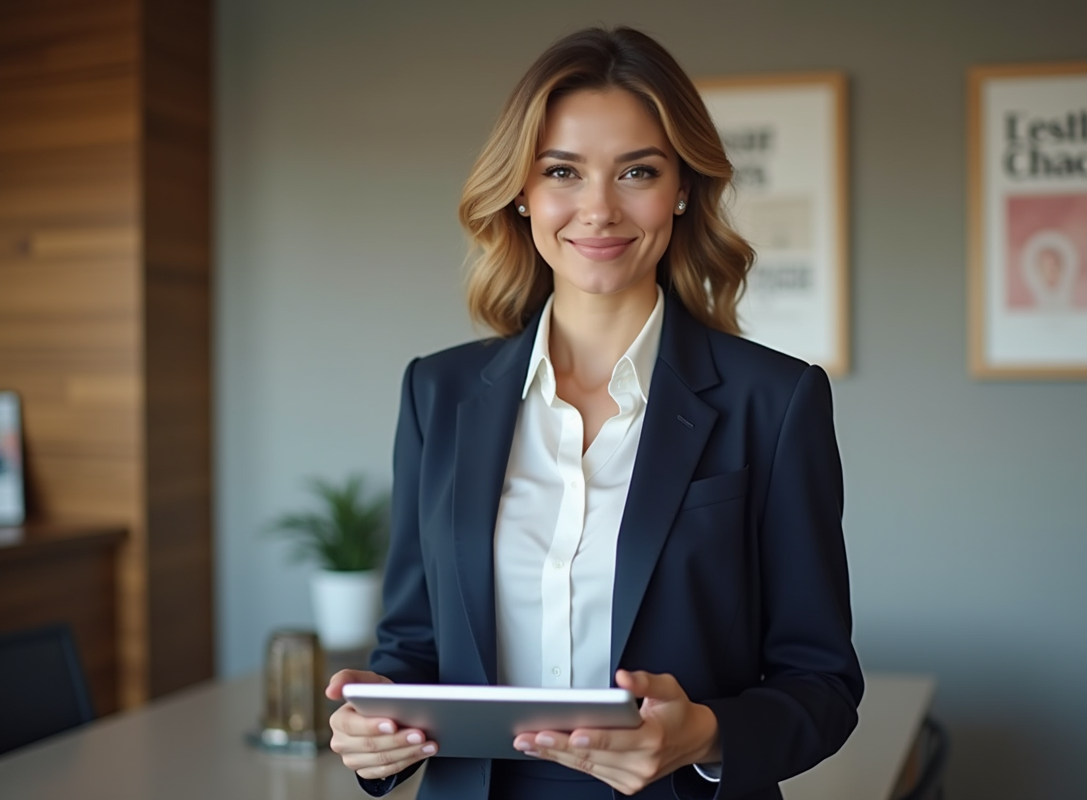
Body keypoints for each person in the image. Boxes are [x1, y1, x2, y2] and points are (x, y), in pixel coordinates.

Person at [325, 26, 863, 800]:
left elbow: (822, 685)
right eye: (563, 172)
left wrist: (704, 736)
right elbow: (413, 646)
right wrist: (377, 732)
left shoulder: (775, 402)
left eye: (636, 171)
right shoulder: (435, 394)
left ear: (681, 187)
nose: (598, 209)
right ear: (523, 191)